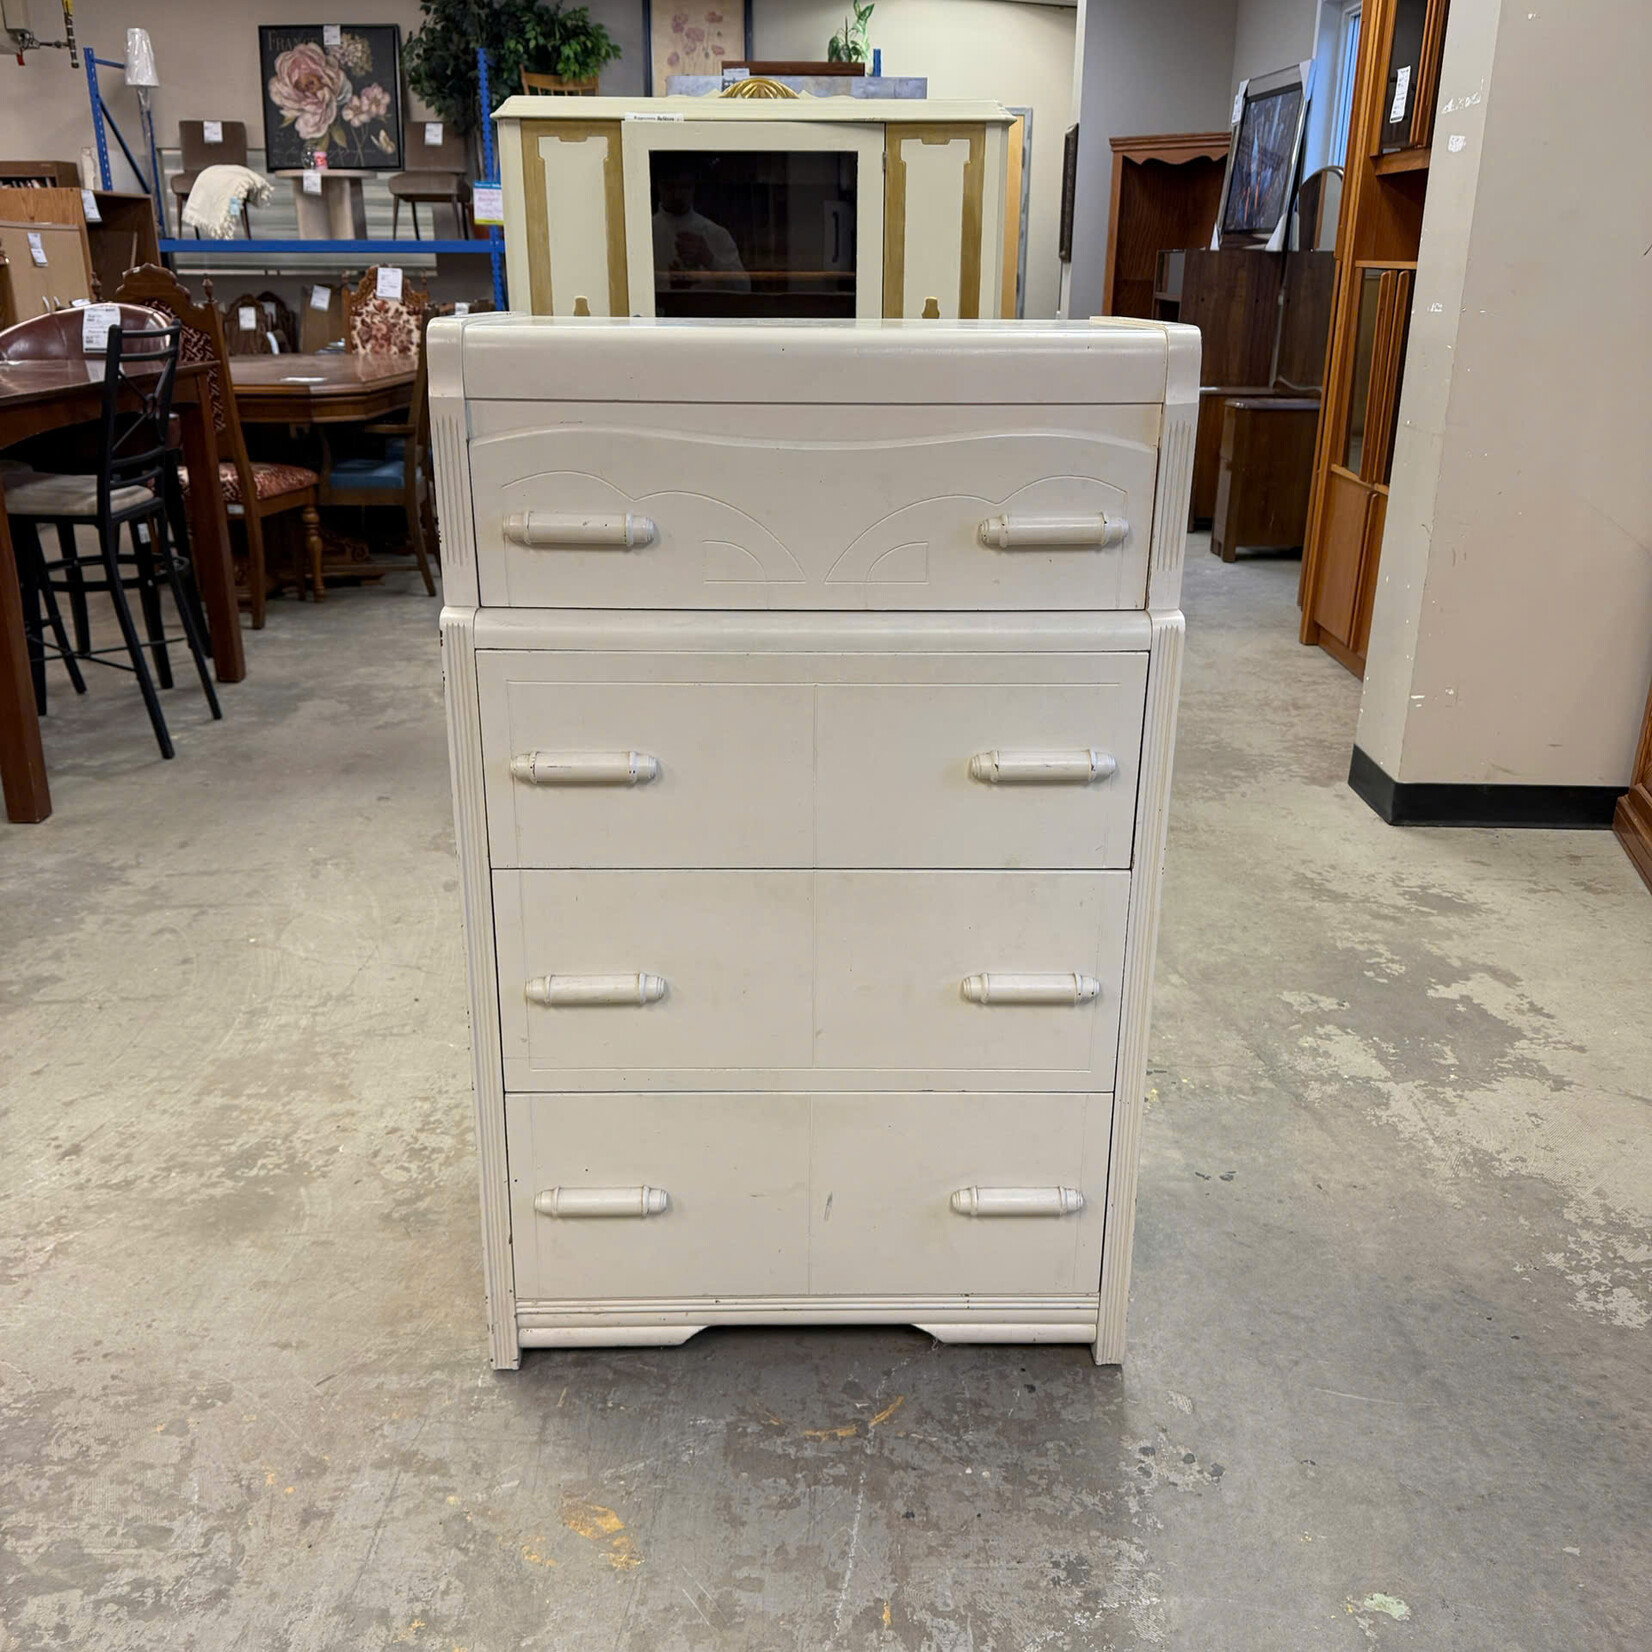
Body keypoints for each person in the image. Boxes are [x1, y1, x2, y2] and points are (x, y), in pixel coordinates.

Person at [651, 159, 750, 293]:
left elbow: (744, 289)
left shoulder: (716, 234)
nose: (677, 195)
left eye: (684, 187)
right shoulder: (646, 234)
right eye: (670, 187)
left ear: (694, 187)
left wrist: (709, 259)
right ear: (658, 186)